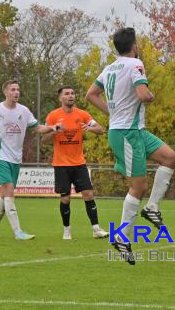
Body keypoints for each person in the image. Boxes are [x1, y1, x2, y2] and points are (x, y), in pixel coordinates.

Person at [86, 27, 175, 265]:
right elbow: (143, 94)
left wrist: (111, 112)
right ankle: (122, 237)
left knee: (170, 157)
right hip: (127, 133)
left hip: (135, 130)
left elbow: (91, 94)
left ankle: (152, 208)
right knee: (138, 186)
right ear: (134, 46)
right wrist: (150, 96)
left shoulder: (109, 68)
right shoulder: (135, 64)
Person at [0, 80, 62, 240]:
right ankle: (18, 232)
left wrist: (53, 127)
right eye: (13, 89)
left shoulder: (24, 111)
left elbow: (37, 128)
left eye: (18, 89)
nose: (16, 92)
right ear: (5, 92)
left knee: (4, 196)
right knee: (9, 191)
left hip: (15, 159)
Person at [43, 85, 109, 240]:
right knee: (65, 198)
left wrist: (90, 128)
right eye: (67, 94)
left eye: (73, 93)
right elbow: (43, 140)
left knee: (88, 194)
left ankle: (96, 229)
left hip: (79, 163)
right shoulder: (53, 116)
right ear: (60, 98)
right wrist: (54, 131)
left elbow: (101, 129)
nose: (71, 96)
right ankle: (67, 231)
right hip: (61, 164)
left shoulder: (83, 114)